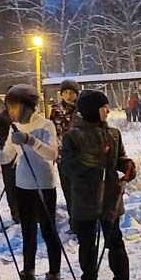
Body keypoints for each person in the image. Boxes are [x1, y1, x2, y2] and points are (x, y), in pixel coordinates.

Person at [0, 85, 63, 280]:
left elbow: (51, 154)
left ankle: (54, 277)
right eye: (9, 107)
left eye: (13, 107)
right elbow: (6, 157)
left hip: (43, 184)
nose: (10, 112)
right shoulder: (14, 129)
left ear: (27, 106)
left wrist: (30, 140)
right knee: (27, 232)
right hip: (22, 185)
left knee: (48, 232)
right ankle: (28, 276)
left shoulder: (45, 125)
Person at [61, 90, 135, 280]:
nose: (108, 110)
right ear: (93, 110)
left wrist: (127, 166)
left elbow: (119, 158)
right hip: (84, 198)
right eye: (104, 107)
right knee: (87, 244)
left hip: (110, 197)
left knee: (114, 242)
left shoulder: (113, 134)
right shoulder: (73, 135)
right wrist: (91, 161)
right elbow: (66, 166)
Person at [50, 79, 81, 233]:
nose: (69, 95)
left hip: (80, 156)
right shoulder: (55, 110)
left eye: (72, 93)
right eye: (66, 92)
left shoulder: (81, 109)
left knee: (80, 190)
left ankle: (83, 221)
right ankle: (74, 222)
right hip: (63, 156)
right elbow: (52, 132)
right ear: (61, 94)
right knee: (68, 189)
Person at [0, 91, 21, 226]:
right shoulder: (0, 120)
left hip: (26, 159)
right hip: (9, 159)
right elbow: (2, 140)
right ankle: (16, 215)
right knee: (12, 187)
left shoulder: (26, 118)